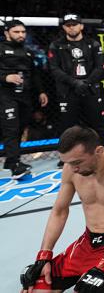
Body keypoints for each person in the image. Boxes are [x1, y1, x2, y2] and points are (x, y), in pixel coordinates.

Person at [19, 125, 104, 293]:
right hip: (88, 242)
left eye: (77, 162)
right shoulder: (71, 169)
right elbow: (59, 211)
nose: (73, 169)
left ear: (98, 151)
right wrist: (44, 255)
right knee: (34, 289)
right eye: (68, 163)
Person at [48, 13, 104, 167]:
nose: (71, 27)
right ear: (63, 27)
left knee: (96, 122)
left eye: (74, 24)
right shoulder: (56, 45)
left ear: (81, 26)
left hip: (89, 89)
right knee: (67, 125)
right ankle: (66, 157)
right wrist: (74, 83)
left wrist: (86, 82)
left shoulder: (93, 44)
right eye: (68, 24)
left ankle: (103, 152)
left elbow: (99, 67)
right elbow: (54, 69)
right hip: (68, 91)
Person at [0, 20, 49, 179]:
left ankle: (10, 159)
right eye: (16, 32)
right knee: (11, 128)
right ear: (7, 33)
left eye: (23, 32)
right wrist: (5, 77)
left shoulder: (28, 51)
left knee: (21, 127)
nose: (21, 35)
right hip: (6, 95)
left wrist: (41, 91)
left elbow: (34, 74)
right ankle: (15, 165)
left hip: (24, 95)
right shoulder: (1, 48)